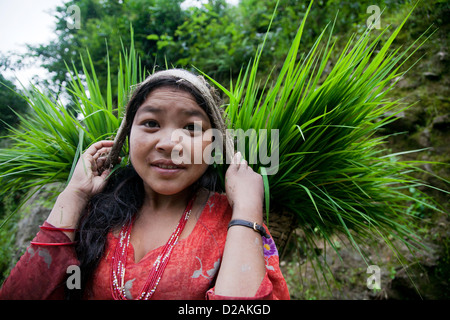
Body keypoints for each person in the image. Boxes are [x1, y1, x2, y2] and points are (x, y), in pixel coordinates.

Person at [0, 69, 290, 300]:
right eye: (151, 123)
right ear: (126, 136)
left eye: (191, 127)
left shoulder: (233, 222)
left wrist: (249, 209)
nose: (168, 144)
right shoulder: (95, 212)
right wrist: (73, 196)